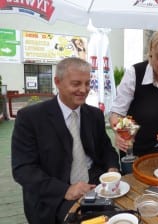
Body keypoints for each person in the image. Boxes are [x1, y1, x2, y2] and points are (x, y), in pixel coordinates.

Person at [11, 57, 120, 224]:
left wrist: (112, 169)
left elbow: (106, 149)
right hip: (54, 196)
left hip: (96, 186)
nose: (84, 90)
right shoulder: (30, 118)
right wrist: (65, 190)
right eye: (76, 84)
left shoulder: (94, 114)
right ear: (57, 82)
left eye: (87, 83)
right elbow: (23, 169)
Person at [109, 25, 158, 173]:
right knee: (134, 183)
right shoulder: (135, 73)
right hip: (131, 145)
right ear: (151, 51)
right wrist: (119, 134)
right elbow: (117, 113)